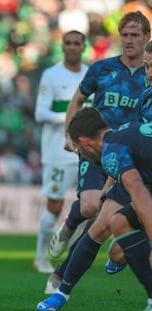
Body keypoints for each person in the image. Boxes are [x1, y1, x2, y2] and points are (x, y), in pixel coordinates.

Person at [38, 10, 151, 310]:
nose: (128, 40)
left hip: (132, 157)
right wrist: (68, 134)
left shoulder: (148, 80)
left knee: (107, 227)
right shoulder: (102, 69)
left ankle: (64, 274)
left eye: (135, 35)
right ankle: (70, 231)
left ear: (146, 38)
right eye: (124, 35)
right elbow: (77, 100)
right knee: (92, 208)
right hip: (99, 147)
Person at [67, 106, 152, 311]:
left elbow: (137, 187)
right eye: (147, 69)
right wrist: (106, 191)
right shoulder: (143, 100)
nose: (148, 72)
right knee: (118, 235)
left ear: (84, 143)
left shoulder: (113, 146)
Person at [33, 30, 88, 275]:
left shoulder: (90, 74)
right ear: (63, 46)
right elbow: (40, 113)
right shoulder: (52, 75)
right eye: (68, 43)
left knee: (88, 206)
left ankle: (72, 259)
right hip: (56, 151)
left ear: (84, 47)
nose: (72, 47)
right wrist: (71, 118)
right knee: (54, 206)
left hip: (86, 152)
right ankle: (40, 257)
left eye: (77, 43)